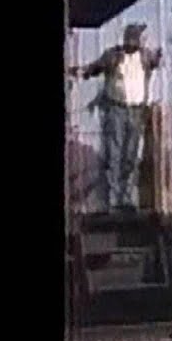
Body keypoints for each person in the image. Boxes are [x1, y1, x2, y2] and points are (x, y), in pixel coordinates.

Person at [70, 23, 162, 212]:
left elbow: (155, 61)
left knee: (130, 155)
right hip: (117, 108)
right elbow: (95, 68)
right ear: (131, 38)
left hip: (136, 110)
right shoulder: (113, 55)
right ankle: (114, 199)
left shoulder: (145, 56)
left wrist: (159, 55)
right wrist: (80, 71)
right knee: (115, 152)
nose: (141, 41)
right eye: (139, 37)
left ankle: (126, 198)